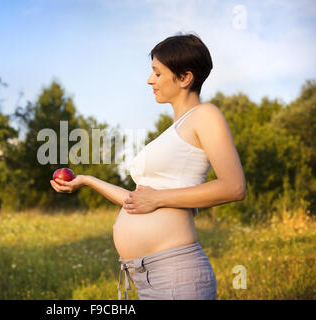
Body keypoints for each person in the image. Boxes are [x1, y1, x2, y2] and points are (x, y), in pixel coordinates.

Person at [50, 33, 246, 300]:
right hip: (144, 276)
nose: (149, 80)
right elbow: (139, 201)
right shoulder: (174, 130)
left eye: (157, 72)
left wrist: (157, 198)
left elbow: (234, 187)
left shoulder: (205, 115)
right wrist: (86, 180)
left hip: (175, 273)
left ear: (185, 78)